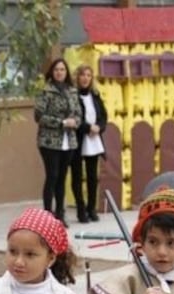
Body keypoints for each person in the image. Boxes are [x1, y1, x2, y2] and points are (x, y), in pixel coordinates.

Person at [34, 58, 81, 227]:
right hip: (50, 141)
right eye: (56, 70)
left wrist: (75, 122)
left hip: (68, 141)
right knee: (52, 176)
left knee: (62, 178)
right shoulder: (46, 91)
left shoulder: (72, 91)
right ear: (52, 72)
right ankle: (48, 213)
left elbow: (78, 114)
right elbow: (39, 116)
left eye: (62, 69)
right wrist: (61, 122)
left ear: (66, 72)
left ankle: (60, 213)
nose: (59, 72)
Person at [70, 64, 107, 224]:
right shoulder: (73, 96)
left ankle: (91, 208)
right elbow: (73, 116)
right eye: (82, 75)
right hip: (78, 139)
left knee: (93, 176)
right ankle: (81, 209)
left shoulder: (95, 95)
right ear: (77, 77)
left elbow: (104, 115)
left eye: (88, 75)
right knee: (77, 176)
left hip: (94, 139)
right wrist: (87, 127)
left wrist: (99, 126)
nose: (85, 78)